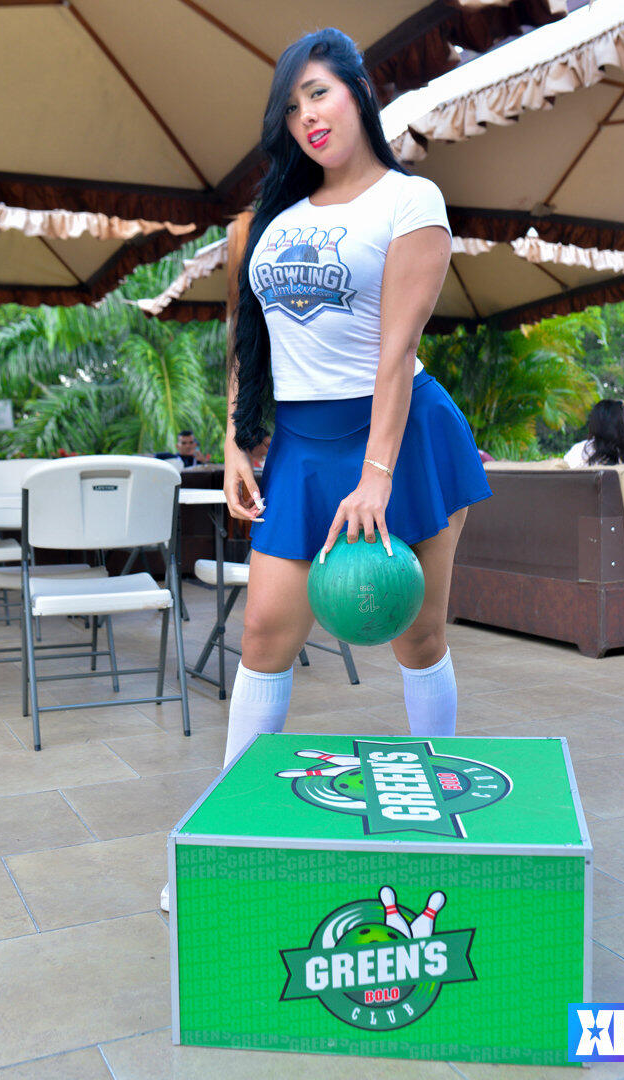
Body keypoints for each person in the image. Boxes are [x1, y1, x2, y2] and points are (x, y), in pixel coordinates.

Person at [221, 28, 491, 767]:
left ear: (359, 93)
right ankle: (229, 815)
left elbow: (397, 350)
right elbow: (250, 337)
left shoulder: (410, 200)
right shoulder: (271, 220)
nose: (306, 116)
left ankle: (436, 790)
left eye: (318, 93)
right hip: (302, 446)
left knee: (417, 635)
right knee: (263, 635)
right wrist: (235, 440)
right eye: (291, 108)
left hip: (403, 438)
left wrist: (377, 475)